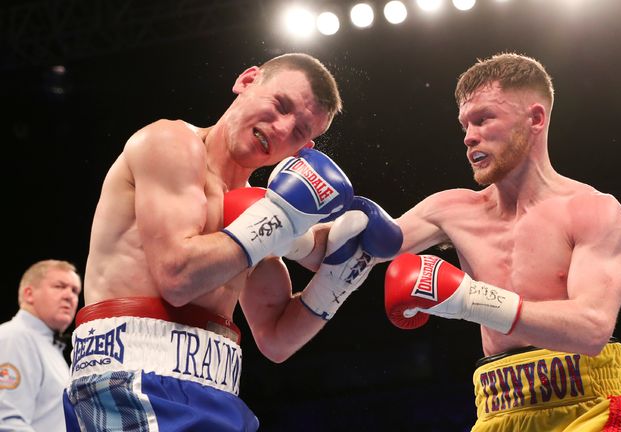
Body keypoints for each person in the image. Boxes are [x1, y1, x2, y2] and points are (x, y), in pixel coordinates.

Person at [65, 52, 401, 432]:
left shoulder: (255, 210)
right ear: (247, 80)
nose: (280, 128)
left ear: (302, 151)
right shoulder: (170, 142)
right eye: (280, 105)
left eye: (299, 132)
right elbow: (177, 278)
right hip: (133, 379)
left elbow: (276, 339)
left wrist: (337, 280)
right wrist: (281, 222)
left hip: (216, 390)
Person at [384, 53, 621, 431]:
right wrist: (292, 216)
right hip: (499, 410)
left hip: (592, 406)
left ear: (535, 119)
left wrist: (467, 300)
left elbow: (592, 328)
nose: (469, 136)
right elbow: (358, 250)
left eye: (483, 119)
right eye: (465, 124)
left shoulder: (592, 210)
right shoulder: (450, 210)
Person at [0, 259, 81, 431]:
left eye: (75, 291)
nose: (70, 296)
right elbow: (6, 423)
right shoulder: (15, 337)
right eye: (59, 286)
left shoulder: (49, 347)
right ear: (29, 294)